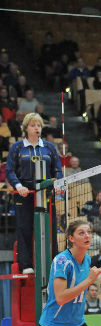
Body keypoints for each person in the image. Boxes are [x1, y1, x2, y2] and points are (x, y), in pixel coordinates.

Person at [6, 112, 63, 274]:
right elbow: (10, 170)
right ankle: (26, 265)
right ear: (26, 128)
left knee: (49, 228)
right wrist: (18, 186)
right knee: (24, 228)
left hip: (45, 194)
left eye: (38, 125)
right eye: (33, 125)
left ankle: (52, 263)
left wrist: (58, 184)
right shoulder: (17, 147)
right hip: (24, 194)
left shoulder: (49, 147)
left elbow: (57, 169)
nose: (36, 128)